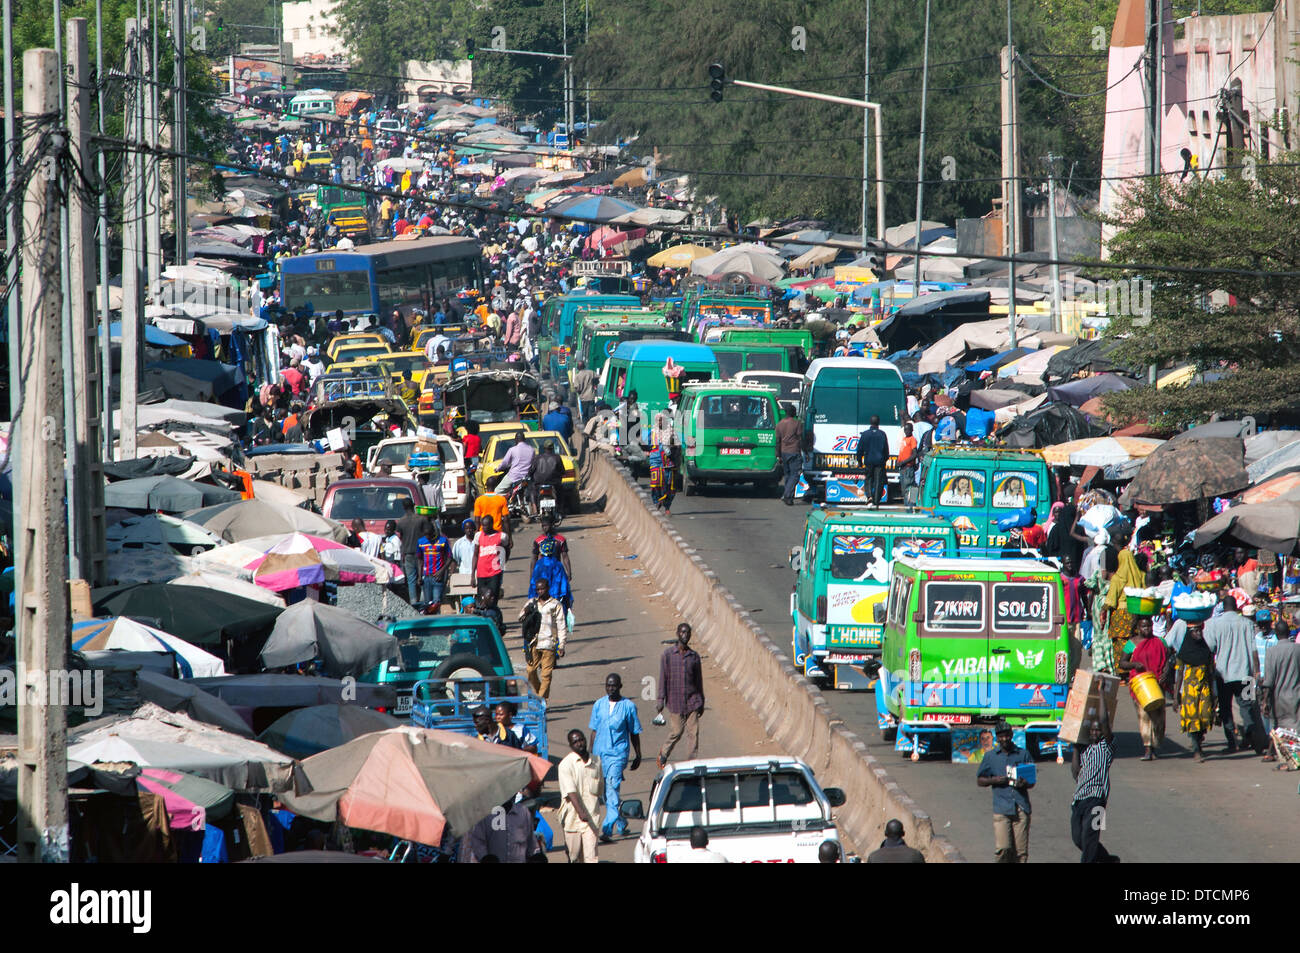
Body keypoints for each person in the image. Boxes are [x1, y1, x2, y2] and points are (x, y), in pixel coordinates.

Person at [1203, 589, 1267, 755]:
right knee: (1247, 706)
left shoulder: (1215, 624)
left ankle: (1232, 742)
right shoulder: (1247, 624)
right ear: (1237, 608)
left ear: (1223, 608)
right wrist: (1257, 672)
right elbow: (1254, 651)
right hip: (1245, 675)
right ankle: (1251, 738)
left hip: (1223, 675)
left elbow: (1210, 648)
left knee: (1225, 708)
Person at [588, 673, 642, 841]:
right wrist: (589, 754)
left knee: (612, 785)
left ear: (620, 686)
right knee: (604, 791)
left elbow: (634, 733)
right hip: (599, 753)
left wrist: (638, 754)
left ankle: (607, 828)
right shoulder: (598, 705)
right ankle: (621, 820)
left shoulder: (628, 707)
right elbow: (594, 731)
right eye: (608, 685)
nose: (610, 688)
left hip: (618, 754)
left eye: (614, 685)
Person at [1069, 683, 1118, 862]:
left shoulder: (1106, 747)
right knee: (1078, 839)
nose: (1096, 733)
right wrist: (1075, 746)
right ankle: (1107, 859)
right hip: (1079, 799)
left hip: (1097, 799)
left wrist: (1100, 693)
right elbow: (1075, 773)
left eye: (1099, 730)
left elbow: (1104, 721)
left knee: (1090, 838)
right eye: (1093, 730)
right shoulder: (1084, 750)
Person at [975, 721, 1034, 863]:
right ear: (997, 737)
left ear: (1012, 735)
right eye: (1001, 736)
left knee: (1021, 853)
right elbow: (980, 780)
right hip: (1001, 808)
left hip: (1021, 807)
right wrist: (994, 781)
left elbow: (1032, 781)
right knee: (1003, 849)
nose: (1004, 739)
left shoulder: (1023, 754)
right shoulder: (991, 757)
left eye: (1007, 735)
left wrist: (1024, 783)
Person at [1118, 615, 1169, 760]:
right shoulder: (1131, 644)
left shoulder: (1160, 641)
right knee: (1144, 716)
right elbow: (1122, 663)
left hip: (1158, 683)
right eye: (1144, 626)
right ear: (1138, 628)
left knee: (1159, 717)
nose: (1147, 629)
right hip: (1141, 684)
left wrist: (1166, 671)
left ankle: (1155, 745)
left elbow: (1168, 658)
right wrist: (1134, 665)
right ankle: (1148, 748)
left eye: (1149, 626)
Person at [656, 622, 704, 769]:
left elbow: (698, 681)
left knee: (693, 734)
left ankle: (691, 763)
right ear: (677, 634)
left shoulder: (694, 657)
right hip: (675, 702)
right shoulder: (668, 655)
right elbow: (663, 678)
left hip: (692, 701)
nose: (685, 635)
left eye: (687, 633)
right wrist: (660, 699)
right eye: (682, 632)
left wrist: (701, 700)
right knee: (677, 731)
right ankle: (663, 753)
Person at [557, 729, 603, 864]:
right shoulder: (565, 765)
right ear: (571, 745)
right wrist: (580, 812)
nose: (579, 744)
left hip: (591, 818)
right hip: (573, 819)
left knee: (591, 857)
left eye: (581, 740)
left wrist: (588, 814)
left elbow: (600, 788)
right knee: (574, 857)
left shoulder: (596, 761)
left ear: (585, 739)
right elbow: (570, 792)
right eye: (575, 742)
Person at [1172, 620, 1216, 762]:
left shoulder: (1206, 652)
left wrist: (1214, 694)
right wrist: (1175, 696)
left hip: (1204, 690)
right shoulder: (1183, 654)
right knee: (1192, 720)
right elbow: (1179, 675)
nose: (1198, 633)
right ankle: (1197, 751)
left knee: (1205, 717)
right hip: (1189, 691)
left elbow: (1210, 673)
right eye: (1195, 631)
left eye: (1199, 631)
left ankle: (1199, 740)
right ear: (1189, 634)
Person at [521, 577, 567, 700]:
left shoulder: (555, 604)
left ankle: (541, 701)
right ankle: (539, 694)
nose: (540, 591)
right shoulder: (532, 602)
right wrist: (525, 612)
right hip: (533, 643)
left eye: (543, 589)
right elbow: (520, 618)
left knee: (546, 674)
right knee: (530, 671)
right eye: (538, 589)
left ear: (548, 588)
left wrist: (561, 645)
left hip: (549, 643)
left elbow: (561, 625)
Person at [1261, 621, 1300, 760]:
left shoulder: (1271, 652)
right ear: (1289, 633)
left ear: (1276, 635)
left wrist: (1265, 701)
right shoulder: (1297, 649)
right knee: (1295, 727)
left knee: (1278, 727)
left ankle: (1287, 758)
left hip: (1278, 697)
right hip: (1296, 695)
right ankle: (1288, 755)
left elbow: (1269, 681)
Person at [528, 517, 573, 609]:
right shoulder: (538, 541)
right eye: (543, 526)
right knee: (541, 593)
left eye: (546, 525)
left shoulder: (560, 540)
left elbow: (565, 556)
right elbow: (534, 559)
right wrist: (532, 576)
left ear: (552, 525)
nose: (544, 528)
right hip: (542, 572)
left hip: (556, 571)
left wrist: (569, 572)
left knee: (558, 593)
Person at [395, 498, 430, 606]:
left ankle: (414, 602)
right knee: (423, 577)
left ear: (404, 508)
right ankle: (426, 602)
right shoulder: (421, 519)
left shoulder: (401, 521)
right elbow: (427, 532)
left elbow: (400, 536)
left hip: (408, 553)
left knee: (411, 580)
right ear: (414, 505)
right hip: (421, 553)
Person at [471, 514, 508, 602]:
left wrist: (502, 563)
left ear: (491, 524)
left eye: (485, 525)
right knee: (481, 598)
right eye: (482, 525)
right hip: (481, 573)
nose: (483, 527)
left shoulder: (502, 536)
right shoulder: (478, 536)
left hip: (494, 573)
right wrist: (472, 574)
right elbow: (475, 555)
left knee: (493, 597)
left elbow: (506, 550)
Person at [417, 522, 453, 613]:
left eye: (429, 535)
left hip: (437, 577)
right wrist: (420, 576)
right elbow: (420, 560)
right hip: (426, 577)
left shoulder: (442, 541)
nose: (427, 537)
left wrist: (442, 571)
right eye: (426, 535)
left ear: (433, 532)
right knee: (427, 604)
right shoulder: (421, 542)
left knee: (436, 603)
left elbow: (450, 558)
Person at [854, 414, 889, 507]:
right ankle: (876, 501)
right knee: (878, 481)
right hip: (879, 461)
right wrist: (885, 460)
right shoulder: (882, 434)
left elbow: (859, 449)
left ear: (870, 422)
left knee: (868, 479)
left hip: (868, 460)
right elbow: (886, 450)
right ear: (878, 423)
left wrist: (860, 461)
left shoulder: (865, 434)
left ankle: (869, 496)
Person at [527, 440, 566, 520]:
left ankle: (535, 511)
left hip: (539, 484)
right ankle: (561, 510)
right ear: (553, 448)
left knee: (532, 492)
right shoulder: (557, 457)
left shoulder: (538, 458)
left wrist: (530, 477)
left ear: (544, 448)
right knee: (561, 492)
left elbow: (531, 471)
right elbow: (562, 471)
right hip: (554, 483)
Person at [775, 404, 803, 506]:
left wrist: (778, 454)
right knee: (795, 475)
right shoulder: (797, 423)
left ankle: (787, 496)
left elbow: (778, 441)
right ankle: (787, 495)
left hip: (783, 452)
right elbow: (800, 439)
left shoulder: (779, 424)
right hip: (794, 451)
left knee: (787, 475)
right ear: (793, 412)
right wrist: (805, 452)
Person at [494, 431, 536, 497]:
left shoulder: (512, 449)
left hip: (514, 476)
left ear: (516, 440)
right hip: (527, 477)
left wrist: (498, 469)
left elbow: (505, 463)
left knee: (497, 491)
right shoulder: (532, 449)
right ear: (524, 439)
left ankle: (504, 503)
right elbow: (533, 462)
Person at [896, 422, 918, 505]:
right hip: (903, 468)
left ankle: (911, 506)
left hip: (908, 467)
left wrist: (903, 462)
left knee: (909, 487)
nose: (906, 431)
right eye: (905, 430)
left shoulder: (912, 439)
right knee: (904, 489)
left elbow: (914, 454)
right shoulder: (904, 439)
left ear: (912, 430)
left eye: (908, 429)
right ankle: (908, 506)